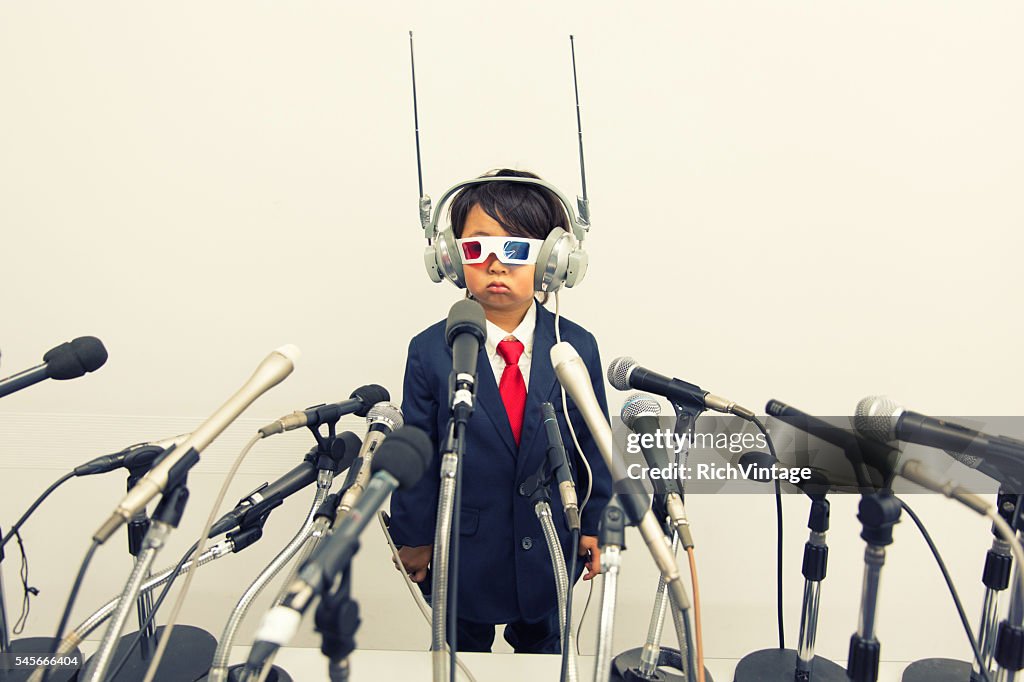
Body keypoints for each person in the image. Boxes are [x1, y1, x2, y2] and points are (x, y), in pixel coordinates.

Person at [389, 168, 612, 654]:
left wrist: (596, 523)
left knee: (546, 654)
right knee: (457, 656)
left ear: (556, 261)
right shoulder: (430, 350)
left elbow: (592, 444)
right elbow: (419, 452)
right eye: (477, 248)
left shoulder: (575, 346)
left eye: (517, 249)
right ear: (450, 258)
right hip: (461, 552)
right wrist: (413, 536)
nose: (495, 265)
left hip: (552, 546)